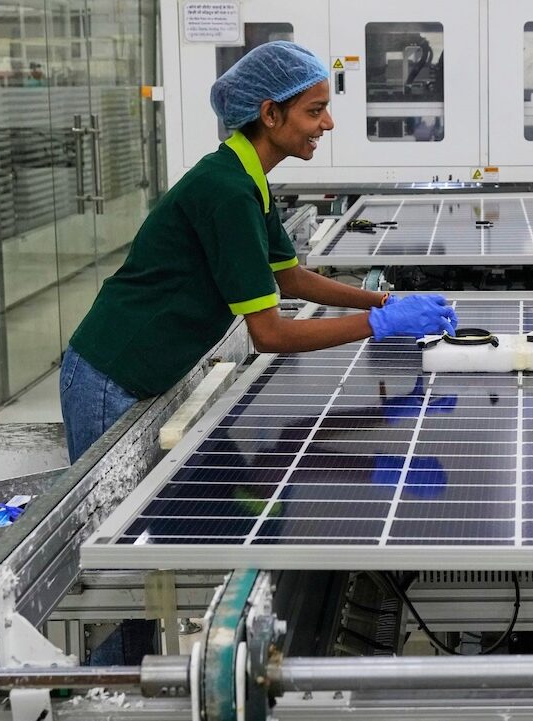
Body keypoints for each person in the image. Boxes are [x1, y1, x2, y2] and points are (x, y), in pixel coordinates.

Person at [62, 40, 458, 463]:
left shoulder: (249, 179)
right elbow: (270, 334)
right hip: (111, 377)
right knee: (110, 521)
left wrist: (383, 300)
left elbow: (291, 279)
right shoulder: (227, 191)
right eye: (314, 110)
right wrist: (380, 323)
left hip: (142, 369)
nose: (328, 123)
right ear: (270, 114)